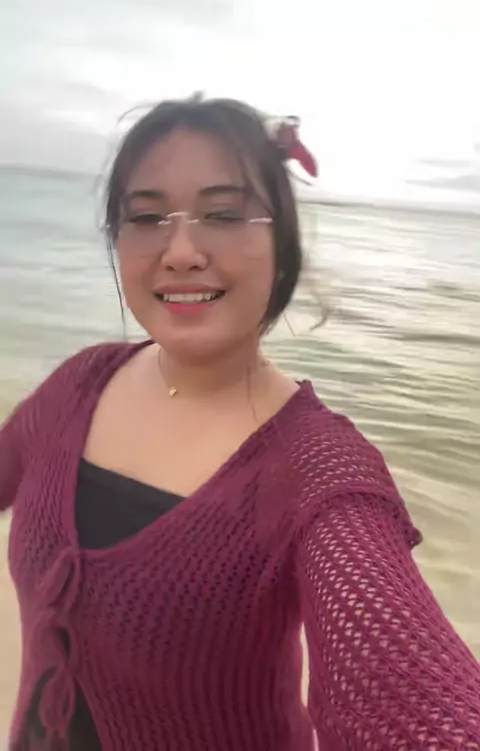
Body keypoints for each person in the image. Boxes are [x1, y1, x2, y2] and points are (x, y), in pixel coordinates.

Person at [1, 96, 479, 751]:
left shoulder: (318, 473)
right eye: (146, 217)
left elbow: (406, 690)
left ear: (281, 246)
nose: (180, 251)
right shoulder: (80, 384)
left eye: (224, 215)